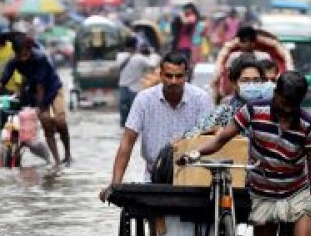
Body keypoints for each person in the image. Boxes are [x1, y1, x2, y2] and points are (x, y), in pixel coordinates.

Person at [177, 71, 311, 236]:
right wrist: (194, 153)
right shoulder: (253, 111)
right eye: (284, 103)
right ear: (276, 94)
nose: (288, 110)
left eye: (293, 105)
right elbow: (221, 139)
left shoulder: (308, 125)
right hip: (263, 193)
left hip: (296, 192)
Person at [99, 52, 213, 199]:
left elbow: (210, 137)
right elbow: (127, 142)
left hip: (192, 175)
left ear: (186, 76)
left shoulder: (201, 99)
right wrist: (115, 184)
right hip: (154, 176)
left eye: (178, 76)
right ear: (160, 74)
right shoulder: (144, 99)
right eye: (169, 76)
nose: (173, 81)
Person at [0, 34, 71, 167]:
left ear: (30, 49)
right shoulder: (14, 62)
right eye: (20, 54)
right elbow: (1, 83)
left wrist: (40, 107)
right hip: (36, 91)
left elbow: (40, 86)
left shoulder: (40, 58)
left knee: (60, 121)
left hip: (53, 89)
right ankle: (57, 162)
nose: (23, 58)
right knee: (46, 122)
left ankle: (67, 154)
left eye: (26, 53)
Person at [183, 55, 272, 139]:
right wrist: (213, 131)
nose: (252, 85)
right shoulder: (223, 113)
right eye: (245, 81)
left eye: (256, 80)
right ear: (234, 83)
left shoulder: (270, 112)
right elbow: (190, 136)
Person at [117, 35, 154, 127]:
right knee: (135, 113)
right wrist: (151, 54)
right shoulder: (140, 58)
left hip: (122, 87)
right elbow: (152, 65)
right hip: (135, 89)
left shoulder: (119, 56)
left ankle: (122, 126)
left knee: (123, 112)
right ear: (136, 45)